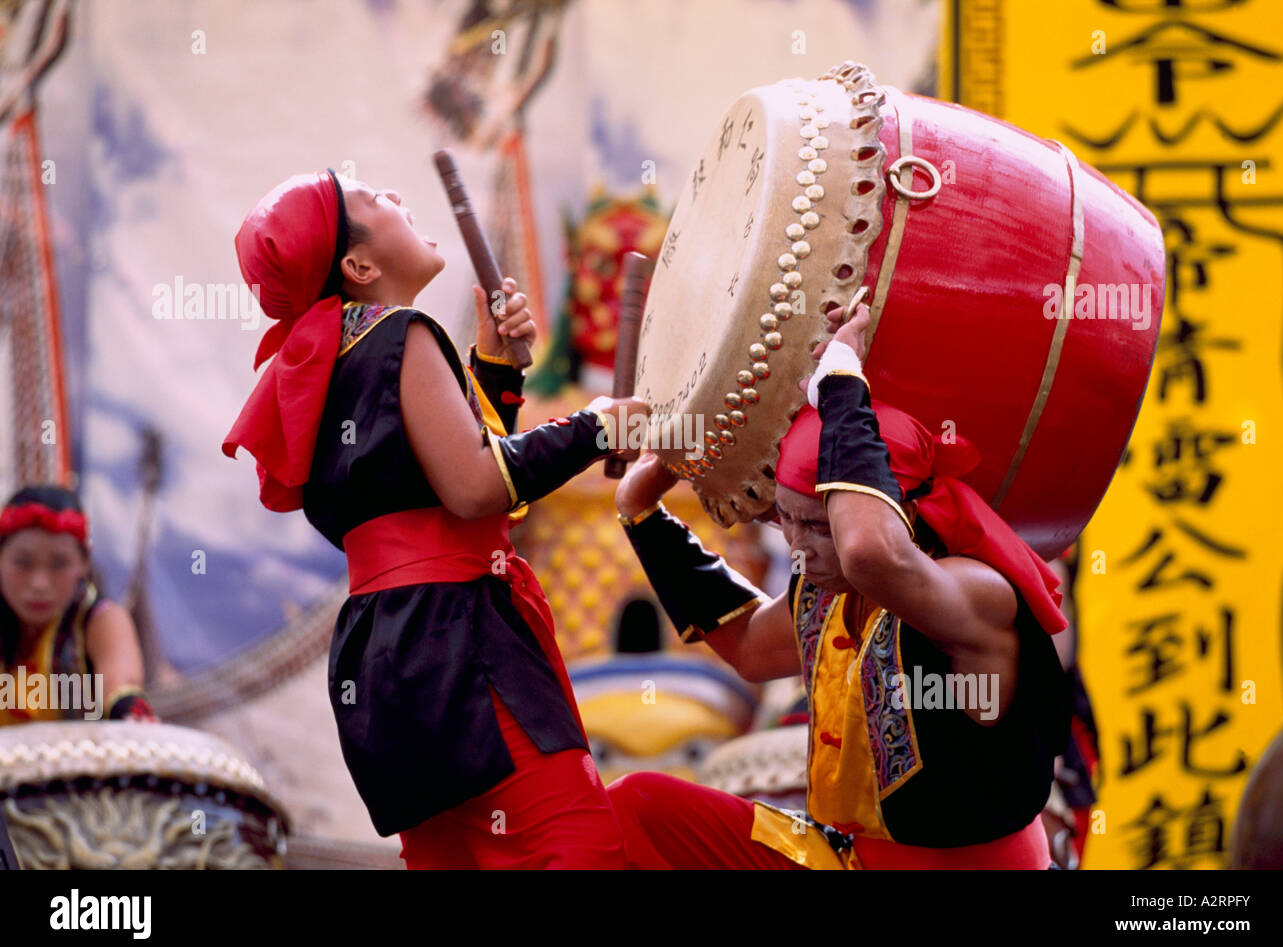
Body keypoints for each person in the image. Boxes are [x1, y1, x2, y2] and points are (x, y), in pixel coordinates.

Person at [221, 169, 646, 868]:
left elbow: (423, 488)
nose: (392, 195)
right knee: (579, 848)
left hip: (385, 648)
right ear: (359, 266)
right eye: (371, 199)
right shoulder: (401, 331)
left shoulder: (330, 359)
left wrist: (495, 374)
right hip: (460, 633)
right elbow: (474, 488)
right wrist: (595, 427)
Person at [607, 303, 1072, 868]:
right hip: (850, 860)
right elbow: (749, 645)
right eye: (787, 520)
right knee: (636, 807)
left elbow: (870, 553)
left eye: (820, 526)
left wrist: (843, 386)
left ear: (901, 511)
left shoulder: (974, 591)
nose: (798, 548)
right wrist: (642, 511)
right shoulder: (829, 589)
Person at [0, 485, 155, 725]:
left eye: (59, 564)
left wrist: (132, 713)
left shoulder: (100, 621)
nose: (39, 584)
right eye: (23, 563)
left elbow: (120, 686)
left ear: (84, 563)